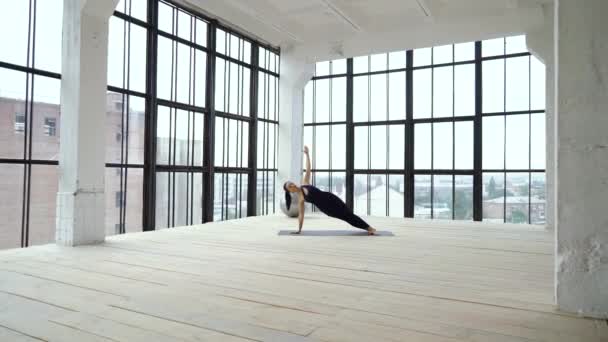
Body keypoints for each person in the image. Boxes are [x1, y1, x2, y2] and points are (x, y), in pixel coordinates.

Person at [283, 145, 377, 235]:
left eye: (291, 183)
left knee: (348, 213)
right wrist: (299, 230)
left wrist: (307, 155)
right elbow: (301, 215)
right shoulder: (300, 200)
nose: (292, 184)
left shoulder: (305, 183)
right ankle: (369, 228)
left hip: (330, 197)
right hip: (327, 208)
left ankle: (368, 228)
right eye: (289, 186)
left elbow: (308, 169)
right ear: (290, 191)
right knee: (346, 217)